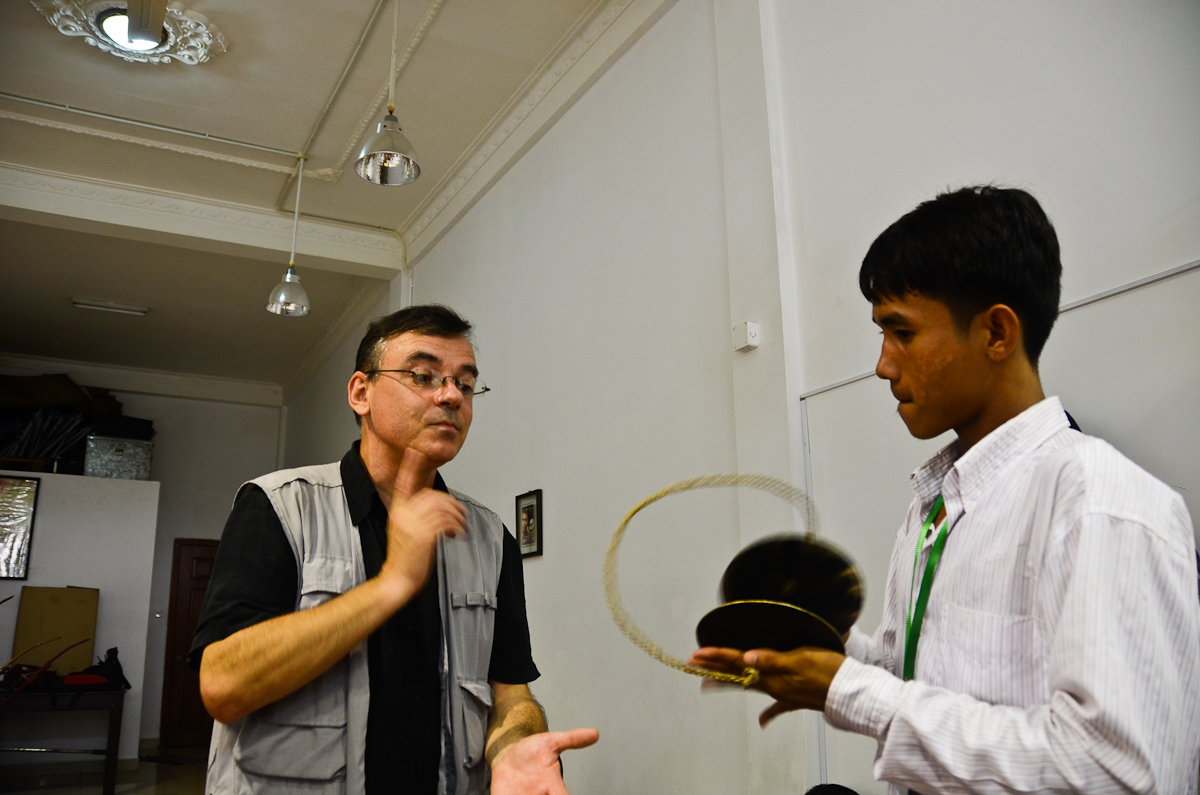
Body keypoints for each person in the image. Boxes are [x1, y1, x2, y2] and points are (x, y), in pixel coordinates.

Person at [691, 186, 1200, 793]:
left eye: (901, 332)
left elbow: (1116, 772)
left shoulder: (1097, 501)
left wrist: (852, 691)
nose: (882, 364)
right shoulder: (933, 508)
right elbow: (928, 683)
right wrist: (815, 654)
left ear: (996, 333)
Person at [189, 304, 598, 795]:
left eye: (465, 384)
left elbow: (510, 692)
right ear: (361, 392)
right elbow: (223, 687)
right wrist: (391, 585)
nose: (450, 396)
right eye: (423, 376)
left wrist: (514, 747)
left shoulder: (490, 539)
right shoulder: (279, 507)